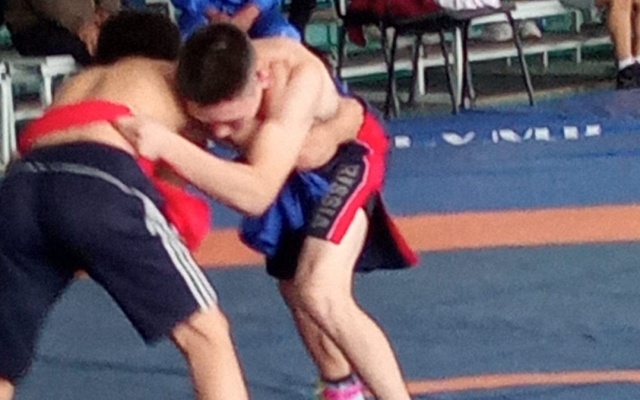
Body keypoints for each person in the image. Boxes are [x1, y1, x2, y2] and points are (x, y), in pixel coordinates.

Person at [116, 22, 418, 400]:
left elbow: (269, 182)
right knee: (294, 288)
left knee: (319, 290)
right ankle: (341, 388)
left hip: (343, 158)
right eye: (209, 123)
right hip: (281, 169)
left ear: (260, 79)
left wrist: (170, 145)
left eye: (232, 122)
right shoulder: (193, 77)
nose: (221, 134)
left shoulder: (295, 75)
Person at [0, 11, 251, 400]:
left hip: (18, 186)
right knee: (206, 334)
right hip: (98, 181)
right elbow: (195, 184)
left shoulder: (80, 82)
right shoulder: (171, 76)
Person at [4, 0, 120, 65]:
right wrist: (83, 24)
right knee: (93, 49)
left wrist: (106, 12)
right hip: (35, 27)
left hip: (85, 21)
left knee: (123, 38)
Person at [171, 0, 300, 40]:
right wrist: (212, 14)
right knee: (189, 41)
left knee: (286, 37)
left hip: (259, 11)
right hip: (202, 12)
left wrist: (249, 13)